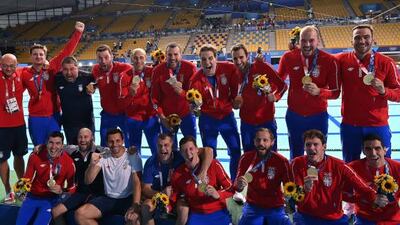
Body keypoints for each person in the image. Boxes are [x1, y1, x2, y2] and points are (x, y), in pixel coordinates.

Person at [290, 129, 383, 225]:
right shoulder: (297, 163)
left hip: (334, 218)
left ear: (324, 147)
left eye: (315, 144)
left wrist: (375, 197)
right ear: (304, 148)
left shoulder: (339, 165)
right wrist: (305, 190)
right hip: (306, 217)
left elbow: (360, 185)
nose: (311, 148)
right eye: (308, 145)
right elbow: (295, 200)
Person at [336, 24, 400, 162]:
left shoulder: (386, 62)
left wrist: (384, 91)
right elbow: (321, 59)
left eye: (366, 37)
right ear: (351, 41)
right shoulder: (341, 60)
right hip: (350, 125)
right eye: (357, 38)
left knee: (382, 164)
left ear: (373, 40)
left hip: (377, 124)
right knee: (350, 165)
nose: (362, 41)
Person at [278, 25, 340, 160]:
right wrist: (274, 95)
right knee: (295, 153)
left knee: (318, 154)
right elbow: (279, 82)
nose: (306, 44)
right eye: (303, 40)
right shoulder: (288, 57)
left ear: (318, 41)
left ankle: (319, 181)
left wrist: (320, 92)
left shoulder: (330, 60)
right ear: (298, 41)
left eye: (311, 40)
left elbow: (336, 92)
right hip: (295, 115)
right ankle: (295, 181)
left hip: (318, 116)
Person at [21, 21, 85, 146]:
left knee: (56, 147)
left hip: (54, 116)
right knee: (38, 148)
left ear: (45, 56)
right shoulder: (24, 73)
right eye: (35, 54)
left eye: (41, 54)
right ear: (30, 57)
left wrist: (78, 33)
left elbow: (66, 52)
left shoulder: (52, 67)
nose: (38, 57)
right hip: (36, 117)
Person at [189, 44, 241, 180]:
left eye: (210, 58)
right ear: (200, 61)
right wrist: (194, 108)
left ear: (216, 58)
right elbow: (192, 106)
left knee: (235, 151)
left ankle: (235, 182)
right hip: (208, 120)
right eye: (203, 60)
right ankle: (214, 182)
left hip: (226, 117)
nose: (207, 62)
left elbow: (237, 89)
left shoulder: (229, 68)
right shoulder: (195, 80)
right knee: (209, 153)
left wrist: (235, 99)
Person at [141, 133, 213, 225]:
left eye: (166, 145)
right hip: (157, 197)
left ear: (172, 145)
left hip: (178, 196)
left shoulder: (182, 155)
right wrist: (161, 194)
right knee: (146, 207)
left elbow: (209, 150)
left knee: (184, 209)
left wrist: (203, 173)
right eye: (160, 146)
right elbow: (146, 189)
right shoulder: (151, 162)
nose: (163, 149)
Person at [75, 128, 142, 225]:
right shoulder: (103, 156)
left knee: (135, 221)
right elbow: (88, 181)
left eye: (118, 141)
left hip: (127, 199)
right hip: (108, 198)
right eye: (111, 141)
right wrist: (92, 165)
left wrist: (135, 206)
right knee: (80, 214)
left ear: (123, 141)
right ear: (107, 143)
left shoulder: (132, 156)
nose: (114, 144)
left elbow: (137, 183)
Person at [231, 43, 287, 152]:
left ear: (247, 56)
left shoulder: (261, 66)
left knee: (271, 157)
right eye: (235, 58)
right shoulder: (233, 75)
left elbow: (283, 86)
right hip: (247, 124)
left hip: (266, 121)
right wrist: (236, 104)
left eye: (241, 57)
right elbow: (234, 103)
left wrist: (276, 96)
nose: (238, 61)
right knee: (249, 157)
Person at [16, 131, 76, 225]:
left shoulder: (68, 163)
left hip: (51, 199)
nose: (53, 147)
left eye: (57, 143)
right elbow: (26, 178)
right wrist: (20, 194)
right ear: (46, 143)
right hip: (32, 196)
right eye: (51, 142)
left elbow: (72, 188)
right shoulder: (35, 155)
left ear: (62, 145)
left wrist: (61, 191)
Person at [171, 136, 234, 225]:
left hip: (219, 211)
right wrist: (168, 206)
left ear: (197, 149)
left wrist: (218, 194)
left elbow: (231, 188)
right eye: (184, 151)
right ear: (181, 153)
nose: (188, 153)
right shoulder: (178, 174)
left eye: (191, 149)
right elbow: (175, 196)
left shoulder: (214, 164)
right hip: (197, 214)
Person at [235, 128, 292, 225]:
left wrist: (293, 201)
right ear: (254, 142)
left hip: (276, 207)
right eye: (258, 140)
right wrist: (239, 186)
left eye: (265, 140)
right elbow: (237, 187)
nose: (261, 143)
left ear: (272, 142)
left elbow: (290, 186)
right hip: (253, 206)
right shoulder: (246, 158)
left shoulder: (282, 161)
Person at [51, 128, 104, 223]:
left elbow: (116, 149)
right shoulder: (72, 150)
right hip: (78, 193)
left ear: (92, 138)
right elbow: (57, 146)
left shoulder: (101, 151)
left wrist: (130, 151)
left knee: (82, 214)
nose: (83, 140)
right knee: (56, 211)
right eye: (80, 137)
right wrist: (41, 147)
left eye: (86, 137)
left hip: (97, 194)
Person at [345, 134, 400, 224]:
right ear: (363, 151)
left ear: (385, 150)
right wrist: (363, 198)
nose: (373, 153)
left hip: (393, 219)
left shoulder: (397, 168)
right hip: (365, 219)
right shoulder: (352, 168)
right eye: (368, 149)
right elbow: (340, 192)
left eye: (377, 148)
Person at [151, 42, 197, 148]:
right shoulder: (158, 70)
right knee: (170, 148)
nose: (172, 58)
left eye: (176, 54)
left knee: (191, 146)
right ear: (165, 55)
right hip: (167, 116)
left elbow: (194, 94)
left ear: (181, 55)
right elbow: (154, 97)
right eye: (169, 55)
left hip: (186, 114)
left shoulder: (190, 68)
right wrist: (161, 116)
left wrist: (182, 92)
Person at [87, 44, 132, 146]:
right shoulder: (95, 70)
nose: (103, 61)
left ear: (112, 56)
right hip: (107, 114)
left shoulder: (125, 68)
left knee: (130, 144)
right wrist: (93, 86)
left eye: (106, 57)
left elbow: (139, 73)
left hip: (124, 114)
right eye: (100, 58)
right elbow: (96, 82)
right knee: (104, 145)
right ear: (96, 59)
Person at [118, 48, 160, 155]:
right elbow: (122, 103)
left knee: (157, 150)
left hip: (150, 117)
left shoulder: (152, 72)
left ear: (146, 58)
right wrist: (130, 94)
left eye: (141, 58)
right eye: (135, 58)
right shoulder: (125, 76)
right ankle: (136, 172)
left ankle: (158, 171)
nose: (138, 61)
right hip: (132, 119)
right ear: (131, 59)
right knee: (134, 153)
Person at [0, 54, 27, 203]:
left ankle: (22, 189)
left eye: (11, 66)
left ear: (17, 65)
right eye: (5, 66)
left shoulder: (22, 73)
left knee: (20, 156)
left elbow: (41, 66)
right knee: (2, 159)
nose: (8, 69)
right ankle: (8, 190)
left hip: (19, 125)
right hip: (1, 127)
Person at [55, 56, 95, 145]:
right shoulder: (57, 78)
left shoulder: (87, 77)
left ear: (77, 68)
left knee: (90, 149)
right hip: (69, 123)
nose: (69, 73)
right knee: (73, 150)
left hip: (87, 122)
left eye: (72, 69)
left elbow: (101, 80)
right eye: (65, 69)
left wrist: (94, 85)